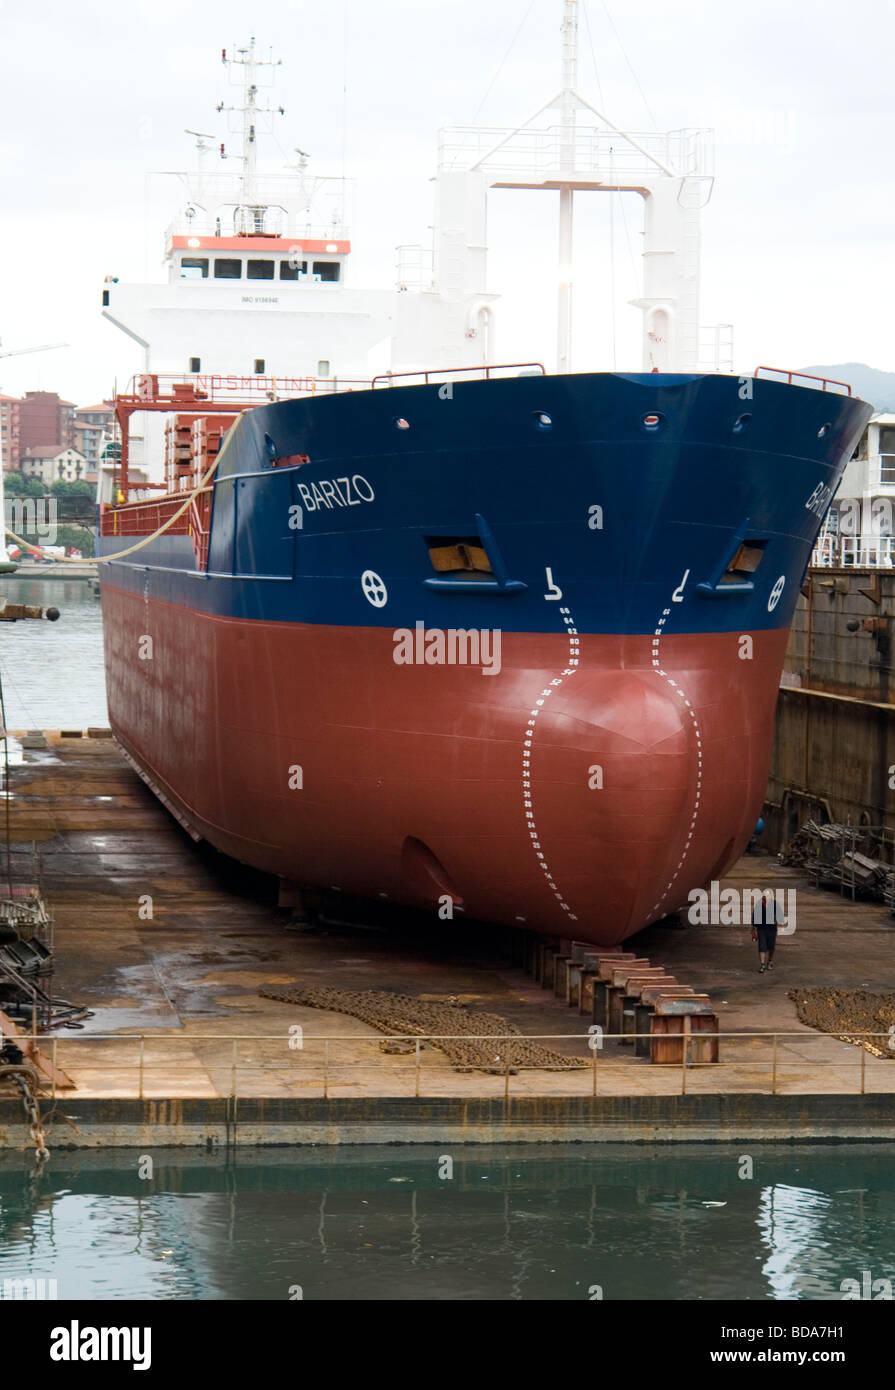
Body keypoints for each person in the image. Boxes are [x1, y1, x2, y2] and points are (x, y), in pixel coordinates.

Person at [751, 891, 781, 973]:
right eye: (764, 896)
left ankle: (770, 961)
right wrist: (753, 930)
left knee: (771, 947)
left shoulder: (775, 904)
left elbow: (780, 916)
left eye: (767, 896)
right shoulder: (758, 905)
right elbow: (754, 918)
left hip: (772, 929)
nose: (765, 898)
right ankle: (762, 965)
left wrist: (777, 920)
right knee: (762, 946)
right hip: (761, 929)